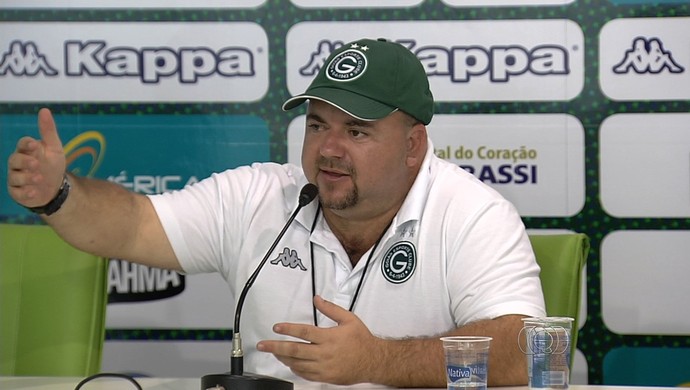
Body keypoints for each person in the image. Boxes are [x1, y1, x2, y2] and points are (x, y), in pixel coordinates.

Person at [6, 38, 545, 387]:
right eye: (316, 126)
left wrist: (376, 361)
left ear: (413, 145)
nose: (328, 149)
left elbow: (525, 353)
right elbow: (131, 225)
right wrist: (59, 194)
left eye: (356, 131)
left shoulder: (471, 215)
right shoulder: (260, 195)